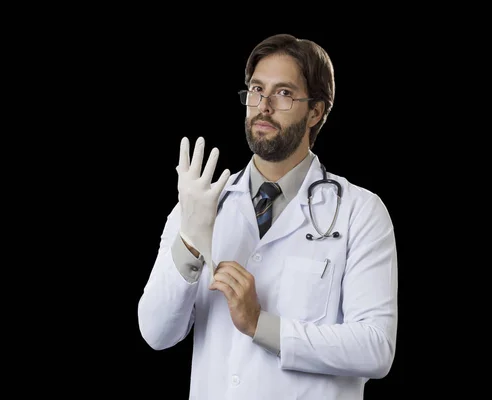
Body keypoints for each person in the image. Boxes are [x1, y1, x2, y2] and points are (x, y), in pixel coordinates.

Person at [137, 33, 398, 399]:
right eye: (257, 90)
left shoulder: (360, 212)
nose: (264, 106)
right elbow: (156, 333)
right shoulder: (199, 208)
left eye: (284, 93)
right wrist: (189, 243)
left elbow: (375, 348)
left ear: (316, 111)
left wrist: (261, 325)